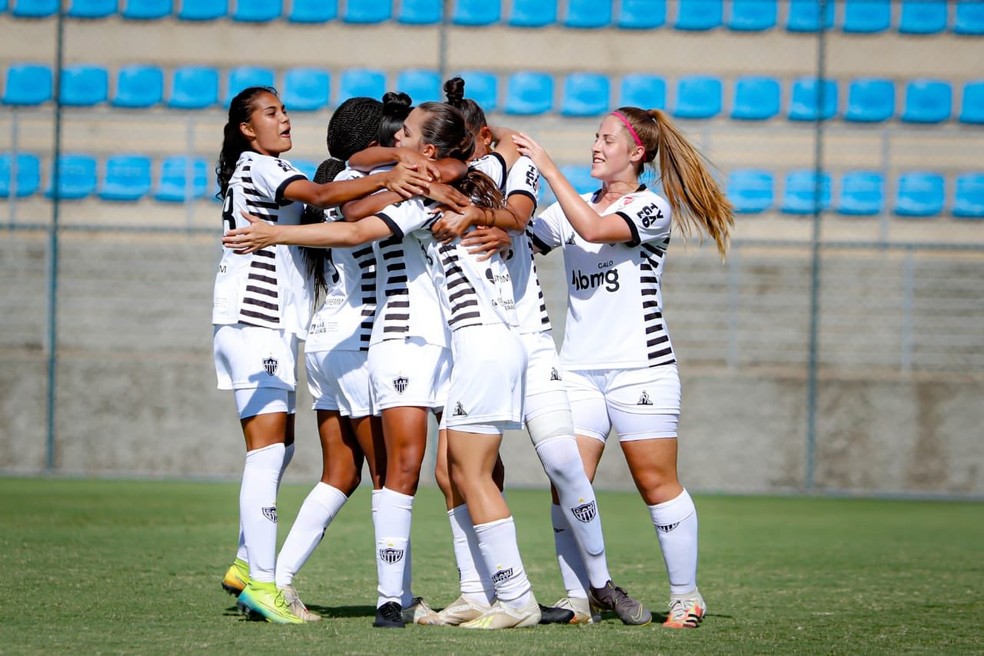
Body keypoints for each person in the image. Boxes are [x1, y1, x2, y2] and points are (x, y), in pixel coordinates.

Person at [223, 101, 543, 630]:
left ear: (432, 149)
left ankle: (505, 597)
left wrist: (276, 232)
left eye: (406, 135)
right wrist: (431, 175)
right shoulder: (457, 180)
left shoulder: (430, 188)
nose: (394, 142)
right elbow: (494, 150)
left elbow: (353, 221)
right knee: (443, 470)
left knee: (448, 471)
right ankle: (459, 595)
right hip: (439, 341)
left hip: (465, 343)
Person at [424, 77, 650, 627]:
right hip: (477, 340)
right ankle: (477, 592)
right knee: (454, 472)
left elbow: (520, 208)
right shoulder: (459, 176)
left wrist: (495, 217)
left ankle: (597, 587)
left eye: (471, 143)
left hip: (529, 340)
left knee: (563, 465)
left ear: (478, 137)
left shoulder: (510, 165)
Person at [512, 106, 734, 629]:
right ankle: (578, 599)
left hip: (642, 369)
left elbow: (591, 226)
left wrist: (546, 166)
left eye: (607, 139)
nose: (596, 146)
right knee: (566, 481)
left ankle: (686, 596)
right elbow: (520, 239)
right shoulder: (574, 204)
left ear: (636, 153)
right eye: (595, 136)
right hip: (579, 369)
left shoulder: (648, 207)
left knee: (655, 481)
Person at [212, 86, 428, 624]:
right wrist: (395, 174)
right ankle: (378, 595)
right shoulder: (266, 167)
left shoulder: (304, 174)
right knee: (378, 473)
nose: (284, 118)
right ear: (245, 127)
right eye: (271, 112)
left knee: (318, 463)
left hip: (308, 335)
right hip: (335, 335)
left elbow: (329, 193)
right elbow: (336, 202)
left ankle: (253, 567)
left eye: (285, 109)